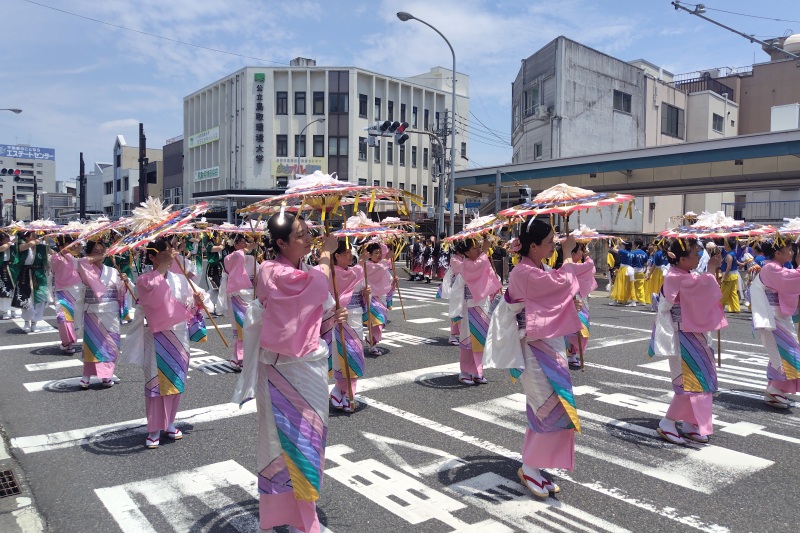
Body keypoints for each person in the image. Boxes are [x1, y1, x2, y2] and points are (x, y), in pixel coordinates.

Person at [233, 212, 344, 533]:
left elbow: (312, 316)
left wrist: (331, 318)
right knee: (286, 442)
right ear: (280, 243)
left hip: (308, 367)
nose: (308, 238)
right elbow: (309, 288)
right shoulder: (271, 270)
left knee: (311, 440)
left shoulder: (307, 270)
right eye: (300, 235)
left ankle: (299, 515)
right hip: (282, 370)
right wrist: (326, 255)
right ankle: (301, 519)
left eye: (309, 232)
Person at [484, 219, 594, 498]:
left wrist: (570, 299)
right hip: (533, 347)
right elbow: (561, 283)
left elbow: (559, 289)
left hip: (549, 343)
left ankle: (536, 464)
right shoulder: (524, 273)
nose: (553, 246)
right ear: (533, 247)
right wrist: (568, 256)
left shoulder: (539, 269)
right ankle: (530, 466)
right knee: (544, 405)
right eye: (549, 243)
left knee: (554, 404)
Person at [649, 238, 725, 444]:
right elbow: (702, 287)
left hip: (691, 333)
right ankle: (668, 422)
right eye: (695, 255)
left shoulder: (684, 274)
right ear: (682, 259)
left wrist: (709, 273)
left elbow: (703, 289)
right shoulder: (675, 276)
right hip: (681, 334)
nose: (699, 258)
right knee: (689, 382)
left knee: (700, 380)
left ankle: (691, 423)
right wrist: (710, 270)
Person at [135, 238, 208, 449]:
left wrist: (198, 301)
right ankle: (154, 428)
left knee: (176, 379)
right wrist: (166, 265)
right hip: (156, 336)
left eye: (170, 249)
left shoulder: (180, 279)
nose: (170, 253)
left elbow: (190, 306)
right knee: (156, 382)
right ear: (152, 256)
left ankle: (170, 422)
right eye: (165, 251)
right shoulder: (145, 280)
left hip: (179, 334)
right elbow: (152, 292)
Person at [749, 237, 800, 408]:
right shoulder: (771, 268)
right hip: (772, 317)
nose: (792, 252)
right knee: (787, 353)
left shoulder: (776, 267)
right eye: (789, 249)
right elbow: (793, 280)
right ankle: (775, 389)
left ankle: (774, 388)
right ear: (778, 253)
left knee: (780, 353)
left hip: (778, 316)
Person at [321, 241, 370, 411]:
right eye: (347, 253)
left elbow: (359, 281)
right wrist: (362, 261)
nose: (351, 255)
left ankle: (343, 392)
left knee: (355, 352)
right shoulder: (333, 274)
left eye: (351, 252)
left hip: (354, 316)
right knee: (343, 355)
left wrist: (366, 292)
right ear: (337, 256)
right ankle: (343, 392)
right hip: (339, 319)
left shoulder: (352, 272)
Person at [76, 239, 126, 389]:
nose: (101, 255)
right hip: (93, 311)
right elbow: (81, 261)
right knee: (92, 345)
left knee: (111, 345)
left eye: (102, 252)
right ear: (89, 253)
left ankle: (107, 375)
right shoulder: (85, 267)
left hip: (110, 312)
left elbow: (120, 291)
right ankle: (87, 375)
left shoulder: (112, 270)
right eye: (96, 252)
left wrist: (124, 281)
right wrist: (101, 255)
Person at [455, 237, 501, 385]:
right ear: (467, 252)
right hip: (470, 306)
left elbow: (486, 273)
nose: (478, 249)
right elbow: (478, 266)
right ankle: (464, 371)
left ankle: (477, 371)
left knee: (481, 339)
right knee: (468, 339)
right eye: (475, 248)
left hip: (482, 304)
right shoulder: (466, 264)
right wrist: (486, 251)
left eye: (479, 247)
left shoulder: (479, 261)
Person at [224, 234, 258, 371]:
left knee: (251, 327)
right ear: (234, 244)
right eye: (241, 242)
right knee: (241, 327)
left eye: (245, 242)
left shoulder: (251, 259)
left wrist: (258, 281)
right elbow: (239, 256)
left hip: (250, 296)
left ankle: (244, 357)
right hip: (236, 296)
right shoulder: (230, 258)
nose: (244, 244)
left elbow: (260, 274)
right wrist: (249, 248)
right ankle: (239, 357)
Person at [49, 236, 84, 354]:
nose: (71, 247)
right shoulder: (55, 258)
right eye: (67, 245)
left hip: (76, 289)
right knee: (63, 317)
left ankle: (70, 343)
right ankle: (66, 340)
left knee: (75, 317)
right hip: (61, 291)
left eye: (71, 244)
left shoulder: (72, 257)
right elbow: (54, 267)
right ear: (61, 246)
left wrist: (77, 251)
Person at [565, 242, 596, 368]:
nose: (581, 253)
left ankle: (572, 354)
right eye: (580, 251)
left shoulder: (574, 265)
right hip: (575, 300)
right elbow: (591, 265)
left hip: (579, 299)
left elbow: (591, 269)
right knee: (578, 329)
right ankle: (571, 355)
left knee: (577, 328)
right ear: (572, 253)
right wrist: (587, 255)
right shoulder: (571, 265)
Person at [13, 232, 50, 332]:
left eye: (36, 236)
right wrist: (34, 242)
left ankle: (34, 323)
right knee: (26, 299)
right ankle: (26, 322)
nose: (35, 238)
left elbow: (51, 254)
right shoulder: (22, 245)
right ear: (26, 237)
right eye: (33, 236)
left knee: (40, 298)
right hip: (25, 274)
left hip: (39, 274)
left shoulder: (42, 247)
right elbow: (22, 248)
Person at [363, 242, 394, 356]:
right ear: (369, 255)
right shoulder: (367, 265)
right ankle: (371, 342)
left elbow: (387, 277)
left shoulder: (382, 264)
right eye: (376, 253)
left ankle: (371, 342)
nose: (379, 255)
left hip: (380, 297)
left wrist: (393, 280)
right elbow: (379, 268)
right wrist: (387, 259)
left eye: (380, 252)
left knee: (379, 322)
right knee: (378, 320)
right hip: (370, 297)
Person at [205, 233, 225, 315]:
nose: (219, 239)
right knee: (214, 288)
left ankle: (214, 307)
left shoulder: (219, 245)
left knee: (219, 289)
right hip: (212, 269)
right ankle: (206, 305)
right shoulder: (209, 245)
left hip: (220, 267)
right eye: (218, 237)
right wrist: (224, 241)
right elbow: (220, 248)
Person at [644, 240, 669, 306]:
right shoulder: (669, 253)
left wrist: (649, 275)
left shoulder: (658, 254)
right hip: (668, 272)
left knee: (655, 288)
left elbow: (654, 265)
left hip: (658, 272)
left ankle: (655, 304)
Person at [609, 242, 635, 306]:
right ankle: (632, 301)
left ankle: (615, 300)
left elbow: (614, 250)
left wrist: (616, 245)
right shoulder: (632, 253)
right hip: (630, 269)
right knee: (629, 285)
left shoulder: (624, 252)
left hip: (623, 269)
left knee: (618, 284)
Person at [719, 237, 741, 313]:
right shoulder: (733, 253)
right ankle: (735, 308)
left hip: (729, 276)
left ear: (728, 246)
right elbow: (736, 262)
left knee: (723, 292)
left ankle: (719, 307)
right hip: (734, 275)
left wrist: (723, 277)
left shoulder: (729, 255)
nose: (724, 246)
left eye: (725, 244)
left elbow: (729, 267)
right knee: (733, 292)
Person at [0, 232, 17, 320]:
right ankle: (5, 312)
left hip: (12, 269)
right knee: (4, 292)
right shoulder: (3, 247)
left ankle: (13, 310)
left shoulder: (13, 248)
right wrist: (11, 242)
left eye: (8, 239)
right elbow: (2, 248)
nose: (8, 241)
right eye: (6, 239)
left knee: (14, 291)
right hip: (2, 269)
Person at [630, 240, 649, 304]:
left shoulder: (633, 253)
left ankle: (634, 299)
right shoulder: (644, 254)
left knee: (632, 285)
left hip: (634, 270)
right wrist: (645, 270)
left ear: (636, 245)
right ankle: (642, 300)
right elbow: (645, 264)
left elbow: (630, 262)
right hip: (641, 271)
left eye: (634, 244)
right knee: (640, 286)